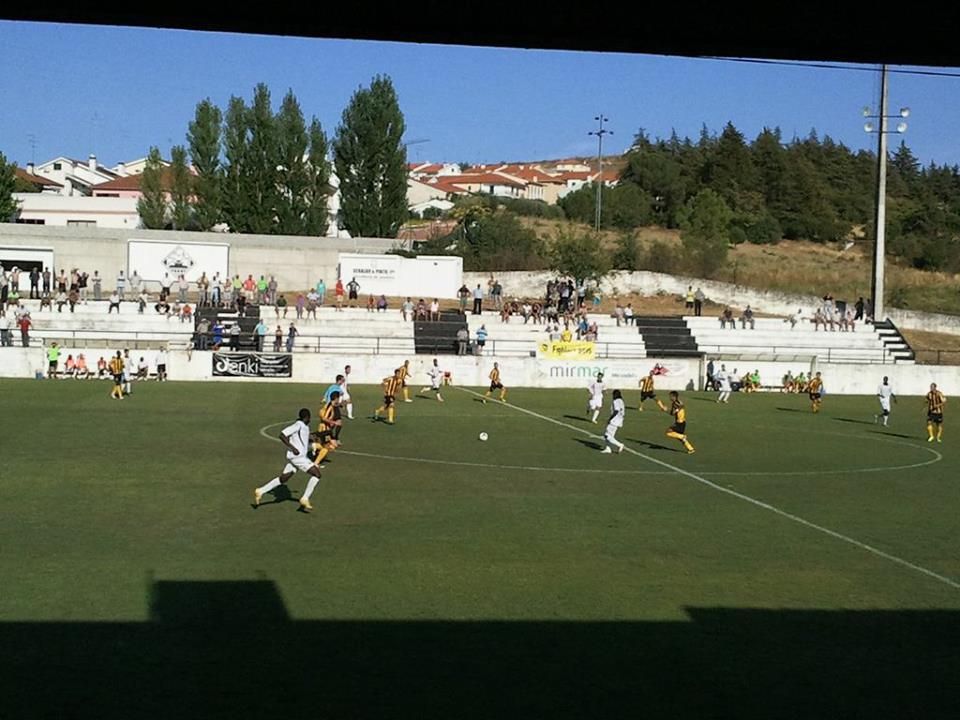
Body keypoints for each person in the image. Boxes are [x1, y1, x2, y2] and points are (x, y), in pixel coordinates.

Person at [252, 408, 325, 513]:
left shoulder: (304, 427)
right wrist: (293, 448)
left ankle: (260, 491)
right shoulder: (298, 425)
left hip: (296, 458)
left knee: (283, 479)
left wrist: (317, 436)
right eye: (309, 417)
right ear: (307, 417)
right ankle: (305, 498)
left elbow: (304, 439)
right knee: (317, 474)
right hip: (298, 457)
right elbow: (282, 435)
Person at [311, 392, 343, 466]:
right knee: (327, 447)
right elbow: (324, 418)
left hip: (326, 430)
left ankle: (316, 456)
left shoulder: (331, 405)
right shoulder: (330, 407)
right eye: (338, 398)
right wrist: (334, 422)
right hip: (324, 429)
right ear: (336, 398)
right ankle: (315, 451)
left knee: (330, 446)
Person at [601, 389, 626, 454]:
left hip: (615, 420)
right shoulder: (621, 401)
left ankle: (620, 445)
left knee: (607, 435)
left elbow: (616, 410)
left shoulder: (616, 401)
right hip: (619, 420)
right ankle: (608, 448)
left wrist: (610, 419)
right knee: (609, 435)